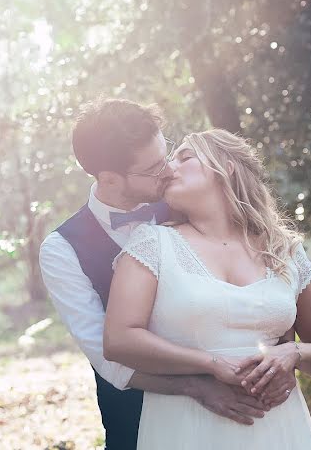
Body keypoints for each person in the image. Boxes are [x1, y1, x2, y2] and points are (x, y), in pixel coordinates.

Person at [39, 100, 297, 449]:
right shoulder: (62, 249)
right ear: (110, 179)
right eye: (153, 167)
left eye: (168, 154)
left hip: (243, 409)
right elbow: (106, 353)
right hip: (136, 414)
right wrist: (197, 385)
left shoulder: (190, 202)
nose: (168, 170)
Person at [103, 129, 311, 448]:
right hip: (187, 426)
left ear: (227, 166)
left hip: (277, 425)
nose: (168, 168)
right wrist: (210, 364)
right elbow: (119, 340)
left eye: (185, 156)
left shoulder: (283, 249)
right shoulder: (151, 243)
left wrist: (293, 353)